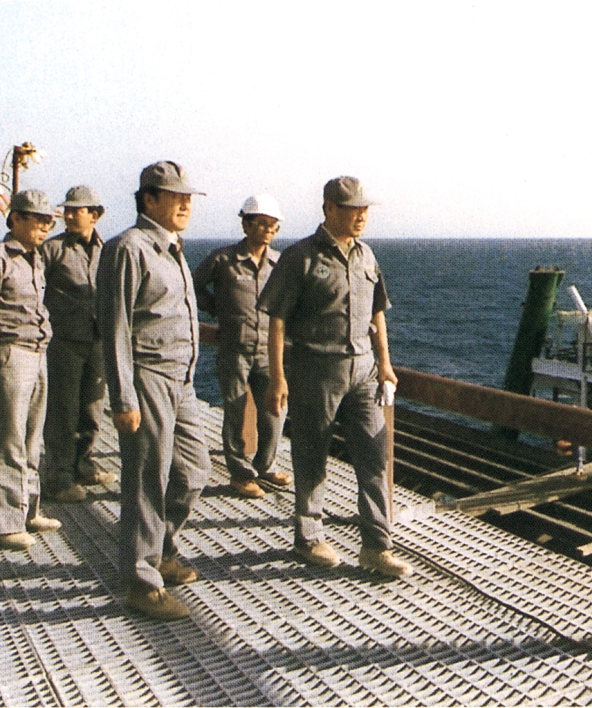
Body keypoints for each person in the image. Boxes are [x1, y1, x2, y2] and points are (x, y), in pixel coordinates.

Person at [258, 176, 412, 578]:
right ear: (329, 209)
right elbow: (276, 321)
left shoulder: (367, 256)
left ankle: (377, 547)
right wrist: (278, 378)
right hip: (316, 370)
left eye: (364, 209)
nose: (361, 216)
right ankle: (309, 537)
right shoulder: (301, 257)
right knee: (312, 455)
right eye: (351, 209)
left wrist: (386, 363)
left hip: (364, 372)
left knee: (374, 456)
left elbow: (378, 311)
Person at [97, 161, 211, 620]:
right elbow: (116, 326)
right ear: (148, 200)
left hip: (180, 381)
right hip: (147, 378)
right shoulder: (128, 248)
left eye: (189, 197)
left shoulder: (172, 249)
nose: (185, 204)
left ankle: (162, 549)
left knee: (194, 471)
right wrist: (123, 399)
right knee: (147, 480)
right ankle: (141, 582)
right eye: (175, 196)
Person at [0, 190, 61, 551]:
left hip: (38, 353)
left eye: (48, 221)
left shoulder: (35, 260)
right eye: (37, 219)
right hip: (9, 354)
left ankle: (28, 511)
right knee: (9, 440)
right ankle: (5, 524)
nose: (44, 226)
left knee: (33, 438)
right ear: (15, 218)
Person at [193, 194, 291, 498]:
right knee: (235, 411)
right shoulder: (223, 259)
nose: (267, 231)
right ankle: (239, 474)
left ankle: (266, 466)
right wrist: (216, 309)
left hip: (268, 351)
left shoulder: (280, 263)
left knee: (275, 410)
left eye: (273, 226)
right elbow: (193, 285)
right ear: (245, 224)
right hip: (234, 350)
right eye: (261, 224)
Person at [41, 186, 117, 503]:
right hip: (64, 343)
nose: (69, 215)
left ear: (95, 215)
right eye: (67, 210)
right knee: (62, 412)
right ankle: (57, 480)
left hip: (98, 341)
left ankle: (83, 466)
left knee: (92, 410)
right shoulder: (52, 250)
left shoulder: (109, 251)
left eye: (77, 210)